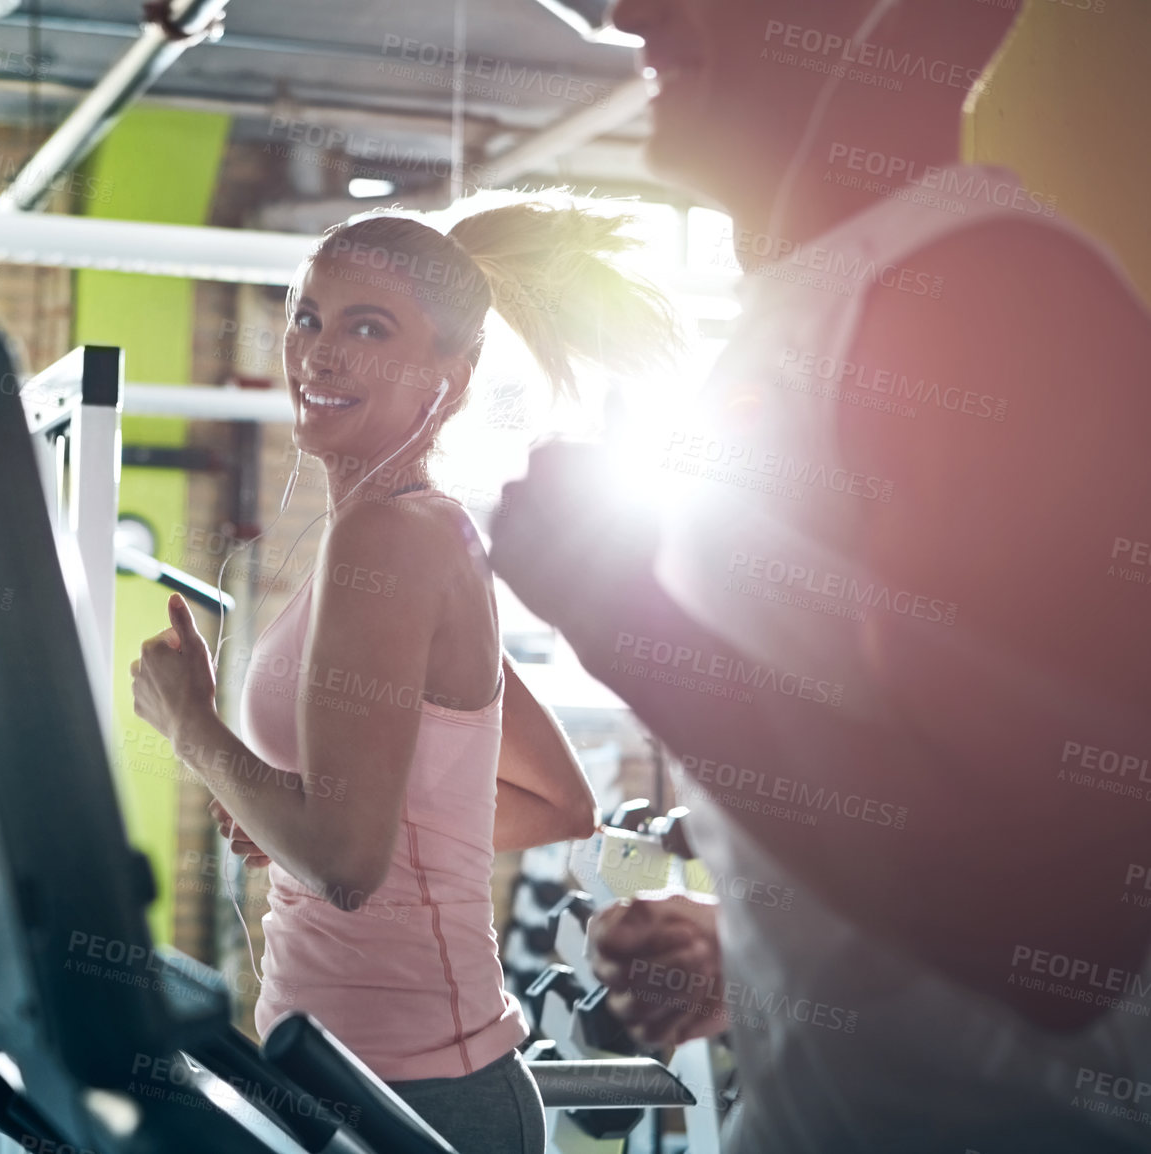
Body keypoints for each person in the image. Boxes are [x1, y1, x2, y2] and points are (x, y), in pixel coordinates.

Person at [490, 0, 1151, 1150]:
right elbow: (901, 790)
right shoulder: (820, 297)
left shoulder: (979, 299)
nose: (624, 12)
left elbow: (1064, 930)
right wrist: (753, 952)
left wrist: (628, 623)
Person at [131, 189, 681, 1153]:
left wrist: (191, 728)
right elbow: (556, 803)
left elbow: (343, 861)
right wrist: (315, 813)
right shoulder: (411, 535)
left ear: (455, 376)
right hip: (351, 1068)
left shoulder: (392, 541)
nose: (320, 351)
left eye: (368, 328)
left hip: (416, 1092)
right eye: (308, 316)